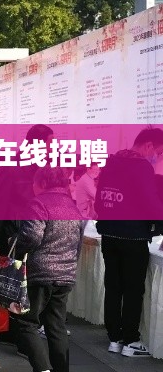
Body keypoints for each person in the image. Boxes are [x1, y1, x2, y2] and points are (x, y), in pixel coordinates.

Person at [0, 124, 54, 351]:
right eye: (50, 143)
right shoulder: (12, 166)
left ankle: (16, 333)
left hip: (31, 235)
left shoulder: (41, 167)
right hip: (12, 236)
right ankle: (13, 334)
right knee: (12, 284)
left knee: (22, 287)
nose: (53, 147)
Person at [94, 127, 163, 357]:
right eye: (158, 152)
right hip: (133, 237)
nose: (156, 158)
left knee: (113, 286)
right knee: (133, 289)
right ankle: (131, 340)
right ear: (149, 145)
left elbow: (99, 198)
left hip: (109, 234)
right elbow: (150, 201)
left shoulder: (111, 162)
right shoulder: (141, 166)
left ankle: (114, 338)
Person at [13, 166, 86, 372]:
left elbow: (31, 236)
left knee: (27, 323)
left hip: (40, 273)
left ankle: (43, 368)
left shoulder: (39, 203)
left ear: (43, 183)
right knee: (56, 326)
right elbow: (78, 243)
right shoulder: (73, 207)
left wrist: (15, 245)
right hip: (65, 275)